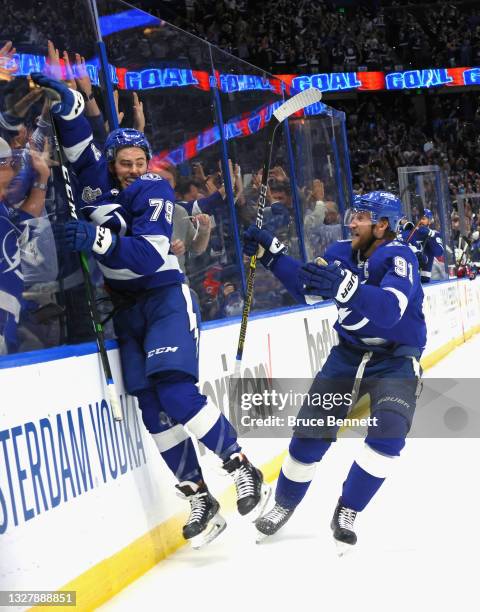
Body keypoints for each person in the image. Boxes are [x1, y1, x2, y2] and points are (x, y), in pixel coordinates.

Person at [31, 72, 270, 549]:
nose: (134, 169)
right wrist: (67, 103)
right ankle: (200, 498)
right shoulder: (97, 181)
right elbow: (79, 143)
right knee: (152, 407)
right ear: (113, 162)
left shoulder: (154, 191)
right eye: (125, 162)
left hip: (163, 300)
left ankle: (241, 466)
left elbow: (145, 253)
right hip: (125, 308)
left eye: (141, 161)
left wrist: (95, 237)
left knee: (177, 394)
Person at [243, 191, 426, 552]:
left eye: (360, 217)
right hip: (348, 354)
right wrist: (273, 255)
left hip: (396, 358)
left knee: (389, 431)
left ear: (382, 224)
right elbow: (307, 286)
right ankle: (283, 502)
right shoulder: (342, 252)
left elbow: (389, 311)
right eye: (353, 214)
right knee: (310, 432)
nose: (351, 221)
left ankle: (349, 508)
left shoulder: (400, 256)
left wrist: (348, 287)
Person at [401, 208, 444, 283]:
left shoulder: (434, 234)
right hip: (408, 278)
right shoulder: (410, 233)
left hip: (424, 280)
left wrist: (430, 235)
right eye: (418, 218)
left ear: (429, 221)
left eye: (423, 219)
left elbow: (439, 252)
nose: (420, 221)